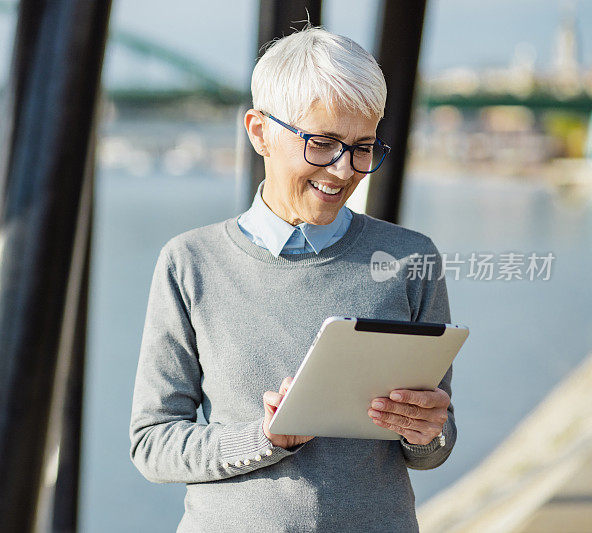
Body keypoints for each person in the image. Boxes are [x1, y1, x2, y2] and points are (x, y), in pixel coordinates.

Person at [129, 24, 455, 532]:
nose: (344, 171)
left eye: (362, 147)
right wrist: (265, 437)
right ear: (259, 131)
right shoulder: (190, 262)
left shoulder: (411, 258)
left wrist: (426, 431)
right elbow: (151, 444)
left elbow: (432, 446)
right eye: (323, 143)